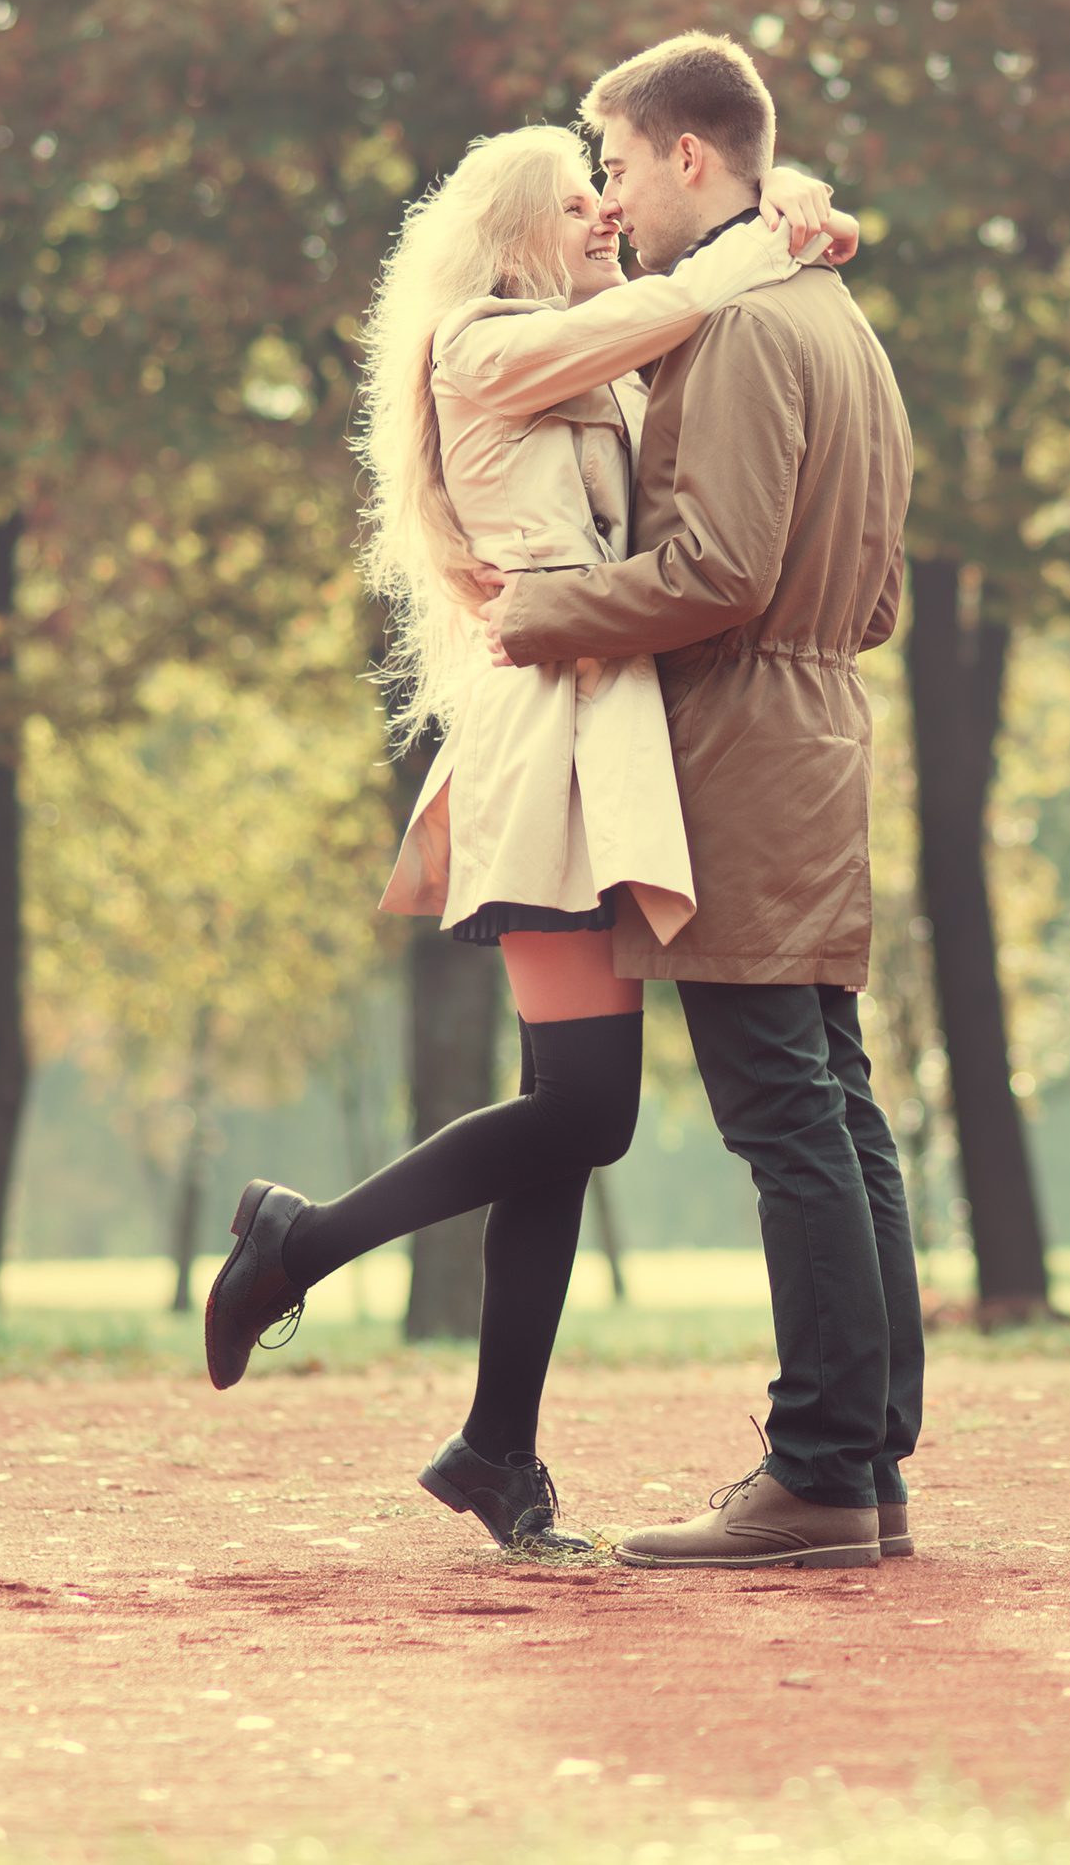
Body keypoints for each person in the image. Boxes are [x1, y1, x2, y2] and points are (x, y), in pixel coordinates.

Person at [204, 121, 853, 1556]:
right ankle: (294, 1243)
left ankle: (497, 1447)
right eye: (580, 203)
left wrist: (784, 207)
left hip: (594, 730)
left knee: (559, 1130)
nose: (608, 216)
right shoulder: (480, 348)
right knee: (583, 1111)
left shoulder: (567, 340)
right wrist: (759, 238)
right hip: (551, 737)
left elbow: (673, 312)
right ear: (510, 234)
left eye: (609, 192)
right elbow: (677, 303)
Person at [482, 32, 921, 1573]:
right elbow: (870, 602)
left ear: (689, 158)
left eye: (615, 167)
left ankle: (811, 1473)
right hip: (820, 722)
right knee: (838, 1104)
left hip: (737, 737)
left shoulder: (737, 335)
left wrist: (545, 613)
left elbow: (717, 571)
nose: (610, 201)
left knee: (783, 1113)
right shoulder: (840, 320)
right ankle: (867, 1467)